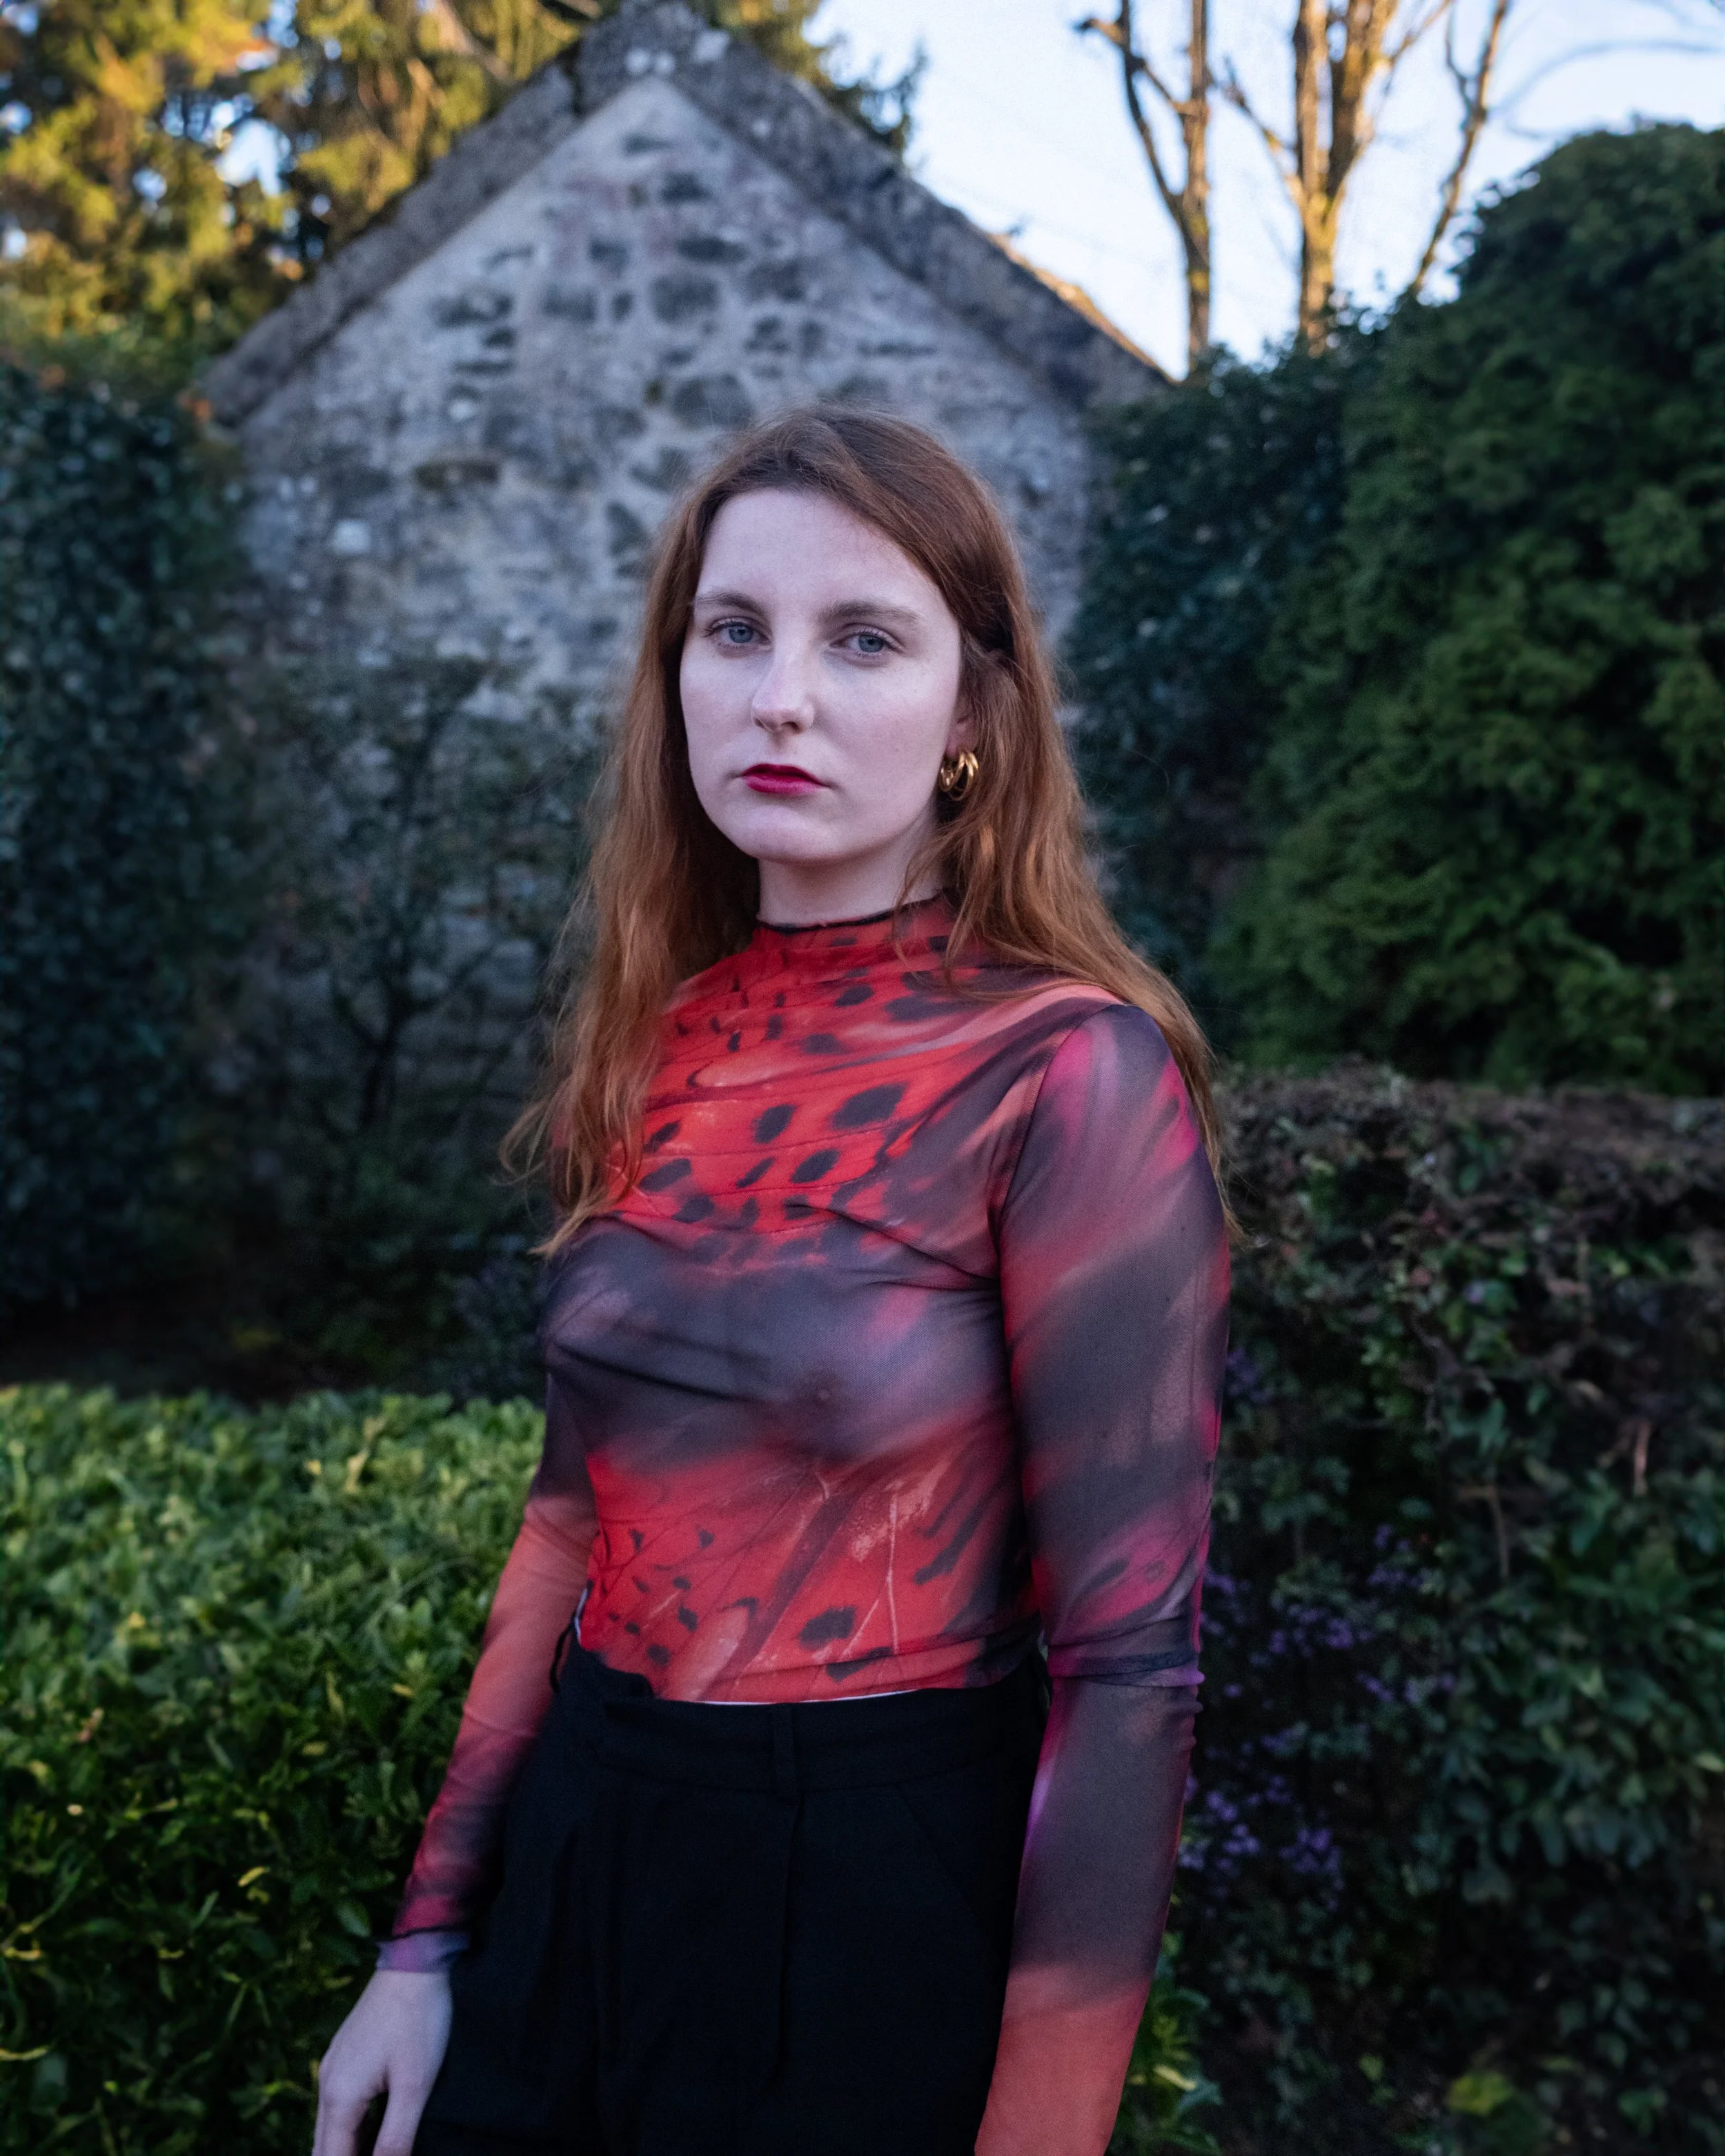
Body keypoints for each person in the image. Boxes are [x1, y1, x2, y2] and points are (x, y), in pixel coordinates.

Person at [311, 410, 1230, 2156]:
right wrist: (425, 1941)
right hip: (585, 1835)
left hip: (864, 1893)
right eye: (731, 630)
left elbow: (1130, 1668)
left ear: (972, 716)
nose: (776, 694)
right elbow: (569, 1521)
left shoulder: (1065, 1072)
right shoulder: (664, 1040)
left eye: (860, 638)